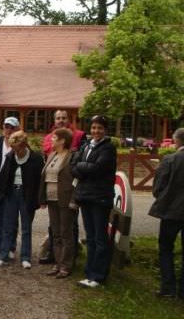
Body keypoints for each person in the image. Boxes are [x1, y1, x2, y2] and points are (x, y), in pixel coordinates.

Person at [72, 115, 116, 288]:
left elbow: (98, 169)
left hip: (100, 198)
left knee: (99, 238)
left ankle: (98, 275)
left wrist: (82, 166)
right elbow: (72, 166)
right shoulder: (85, 145)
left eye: (99, 128)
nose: (96, 131)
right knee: (89, 237)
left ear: (105, 130)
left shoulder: (108, 148)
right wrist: (83, 167)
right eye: (93, 128)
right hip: (85, 196)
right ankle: (89, 272)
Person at [40, 109, 86, 264]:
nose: (60, 120)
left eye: (63, 118)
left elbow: (77, 177)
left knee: (69, 230)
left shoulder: (78, 137)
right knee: (55, 231)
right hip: (52, 195)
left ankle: (68, 261)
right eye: (58, 118)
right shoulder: (50, 145)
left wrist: (74, 198)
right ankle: (56, 259)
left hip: (66, 195)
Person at [0, 130, 44, 269]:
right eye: (13, 149)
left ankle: (25, 257)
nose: (15, 151)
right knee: (8, 226)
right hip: (11, 194)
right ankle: (3, 256)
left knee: (26, 227)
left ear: (24, 145)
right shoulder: (10, 157)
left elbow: (40, 180)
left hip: (27, 196)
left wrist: (39, 199)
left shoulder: (36, 158)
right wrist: (0, 195)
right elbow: (3, 177)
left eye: (17, 148)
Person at [149, 128, 184, 299]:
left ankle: (168, 287)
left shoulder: (170, 160)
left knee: (165, 248)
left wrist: (163, 198)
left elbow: (158, 188)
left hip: (171, 211)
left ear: (176, 141)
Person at [38, 128, 77, 278]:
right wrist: (42, 199)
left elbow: (76, 180)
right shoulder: (51, 155)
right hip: (51, 199)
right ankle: (58, 263)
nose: (51, 140)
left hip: (65, 200)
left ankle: (66, 266)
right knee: (56, 233)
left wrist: (74, 200)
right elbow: (44, 178)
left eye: (54, 138)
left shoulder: (71, 157)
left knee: (66, 233)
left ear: (62, 140)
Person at [0, 116, 20, 258]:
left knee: (11, 218)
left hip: (12, 185)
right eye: (6, 126)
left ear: (17, 129)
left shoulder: (20, 143)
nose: (8, 130)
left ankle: (11, 247)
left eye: (12, 127)